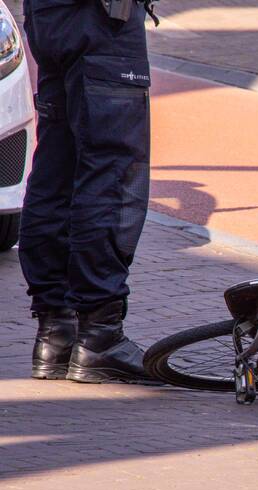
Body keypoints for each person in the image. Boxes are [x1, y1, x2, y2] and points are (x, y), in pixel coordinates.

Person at [20, 0, 155, 382]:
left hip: (47, 15)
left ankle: (55, 333)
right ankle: (100, 335)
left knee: (56, 169)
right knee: (111, 170)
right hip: (100, 18)